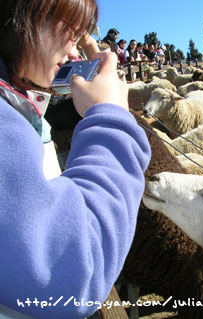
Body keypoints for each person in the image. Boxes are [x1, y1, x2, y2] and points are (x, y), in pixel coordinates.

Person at [0, 0, 151, 318]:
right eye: (68, 27)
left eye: (82, 33)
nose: (74, 50)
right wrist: (110, 119)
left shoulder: (18, 106)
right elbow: (66, 272)